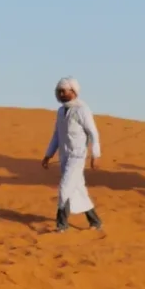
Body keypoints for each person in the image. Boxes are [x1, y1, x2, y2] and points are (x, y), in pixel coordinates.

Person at [41, 77, 102, 232]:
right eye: (59, 91)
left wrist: (96, 154)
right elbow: (57, 135)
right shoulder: (61, 111)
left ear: (73, 92)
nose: (61, 94)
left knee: (64, 188)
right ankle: (95, 221)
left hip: (77, 156)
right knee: (78, 189)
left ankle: (61, 225)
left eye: (64, 91)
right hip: (64, 156)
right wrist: (48, 155)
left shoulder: (82, 109)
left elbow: (93, 132)